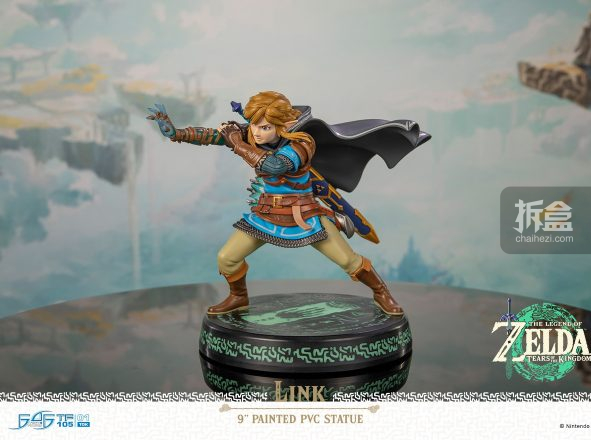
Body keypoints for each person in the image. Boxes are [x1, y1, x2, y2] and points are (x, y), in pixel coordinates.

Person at [148, 91, 407, 316]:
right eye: (254, 125)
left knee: (349, 261)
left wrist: (237, 143)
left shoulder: (302, 143)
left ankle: (381, 292)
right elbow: (214, 136)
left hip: (305, 216)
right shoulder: (250, 135)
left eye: (265, 127)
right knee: (227, 258)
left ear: (283, 126)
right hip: (266, 214)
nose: (256, 132)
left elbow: (273, 166)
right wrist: (177, 133)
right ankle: (238, 297)